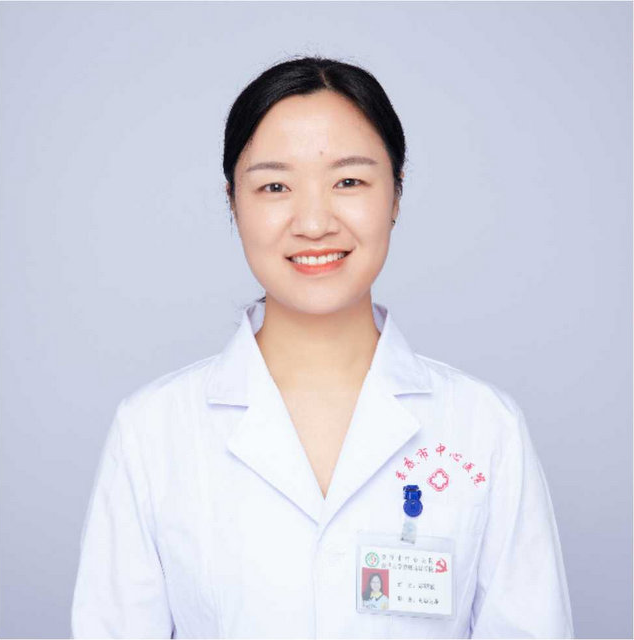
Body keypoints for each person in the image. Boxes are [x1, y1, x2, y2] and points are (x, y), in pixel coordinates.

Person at [70, 55, 574, 638]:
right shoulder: (152, 431)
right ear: (234, 203)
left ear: (396, 195)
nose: (313, 223)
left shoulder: (485, 429)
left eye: (349, 182)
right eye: (275, 186)